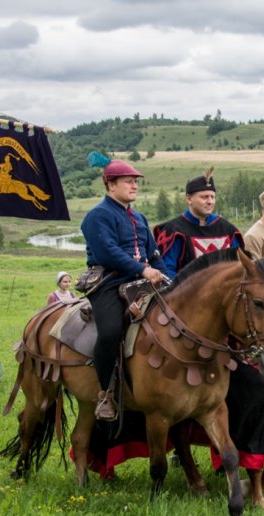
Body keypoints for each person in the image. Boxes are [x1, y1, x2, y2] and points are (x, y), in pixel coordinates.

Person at [80, 159, 167, 420]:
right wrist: (142, 270)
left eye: (136, 182)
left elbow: (154, 253)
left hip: (144, 281)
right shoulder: (97, 216)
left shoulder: (139, 217)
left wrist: (167, 276)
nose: (134, 186)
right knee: (110, 331)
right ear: (110, 184)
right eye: (128, 181)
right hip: (110, 281)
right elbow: (108, 252)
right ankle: (105, 392)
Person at [153, 169, 244, 279]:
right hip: (186, 293)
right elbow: (167, 270)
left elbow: (239, 266)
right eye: (204, 197)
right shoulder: (175, 231)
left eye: (212, 197)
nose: (210, 201)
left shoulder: (228, 230)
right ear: (189, 199)